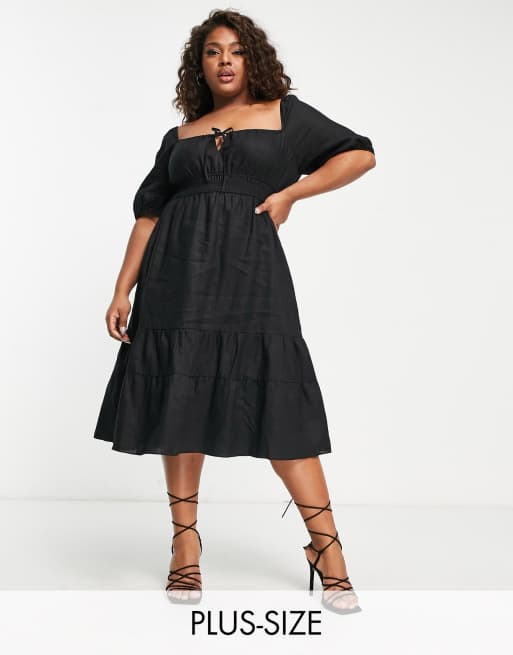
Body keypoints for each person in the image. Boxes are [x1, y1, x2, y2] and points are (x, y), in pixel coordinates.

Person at [93, 9, 376, 615]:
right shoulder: (181, 136)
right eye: (213, 51)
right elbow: (148, 216)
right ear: (198, 65)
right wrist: (122, 290)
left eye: (236, 50)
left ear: (253, 59)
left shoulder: (284, 115)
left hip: (250, 275)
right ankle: (185, 548)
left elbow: (359, 155)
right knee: (179, 402)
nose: (224, 60)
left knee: (280, 404)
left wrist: (292, 192)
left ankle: (327, 550)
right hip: (175, 278)